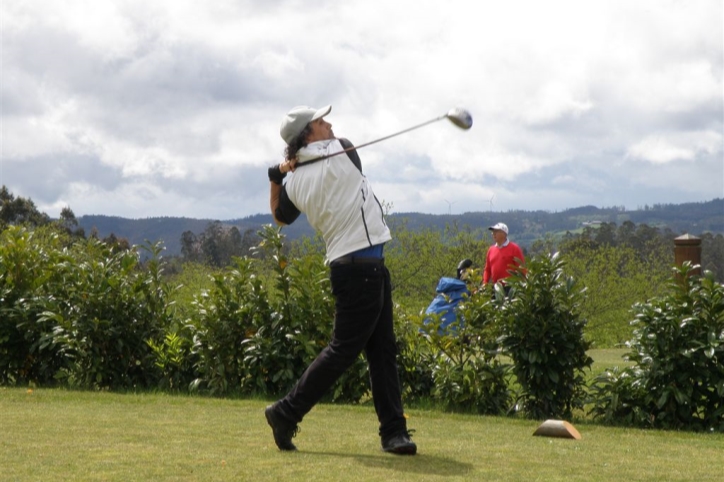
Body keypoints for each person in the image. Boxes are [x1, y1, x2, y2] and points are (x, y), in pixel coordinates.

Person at [264, 105, 416, 455]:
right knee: (342, 350)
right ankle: (285, 412)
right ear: (307, 133)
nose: (329, 124)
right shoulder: (343, 148)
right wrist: (293, 167)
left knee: (382, 351)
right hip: (360, 268)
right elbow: (342, 154)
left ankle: (394, 432)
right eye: (320, 121)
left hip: (359, 268)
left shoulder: (295, 182)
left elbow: (279, 216)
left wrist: (276, 176)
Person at [482, 222, 525, 293]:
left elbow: (521, 269)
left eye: (496, 231)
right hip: (496, 288)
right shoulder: (491, 250)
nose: (493, 234)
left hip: (511, 288)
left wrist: (521, 285)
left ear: (504, 233)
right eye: (493, 232)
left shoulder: (514, 248)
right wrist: (485, 283)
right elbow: (487, 269)